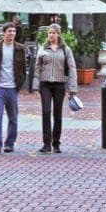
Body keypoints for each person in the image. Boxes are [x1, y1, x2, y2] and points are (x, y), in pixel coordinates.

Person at [35, 24, 78, 153]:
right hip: (45, 84)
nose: (51, 35)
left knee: (57, 113)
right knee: (46, 112)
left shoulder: (65, 49)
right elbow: (37, 68)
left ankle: (56, 143)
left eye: (54, 32)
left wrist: (72, 88)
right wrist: (36, 86)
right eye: (49, 32)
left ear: (58, 34)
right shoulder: (42, 49)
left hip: (59, 84)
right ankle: (46, 143)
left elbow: (72, 68)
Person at [0, 23, 27, 153]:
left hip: (12, 88)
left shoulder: (20, 48)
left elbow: (23, 70)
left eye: (14, 31)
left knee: (13, 118)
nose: (12, 33)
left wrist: (18, 86)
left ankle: (9, 143)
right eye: (9, 31)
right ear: (4, 33)